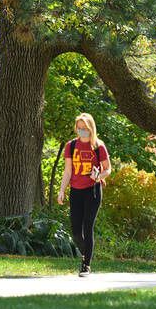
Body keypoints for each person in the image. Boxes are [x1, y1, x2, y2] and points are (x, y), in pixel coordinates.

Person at [57, 113, 111, 277]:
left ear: (91, 128)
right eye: (79, 128)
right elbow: (68, 172)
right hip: (76, 191)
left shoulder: (98, 146)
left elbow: (108, 169)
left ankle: (86, 265)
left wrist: (99, 176)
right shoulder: (71, 146)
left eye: (85, 128)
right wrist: (61, 190)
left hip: (92, 190)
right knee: (75, 232)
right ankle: (85, 254)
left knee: (88, 226)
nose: (82, 131)